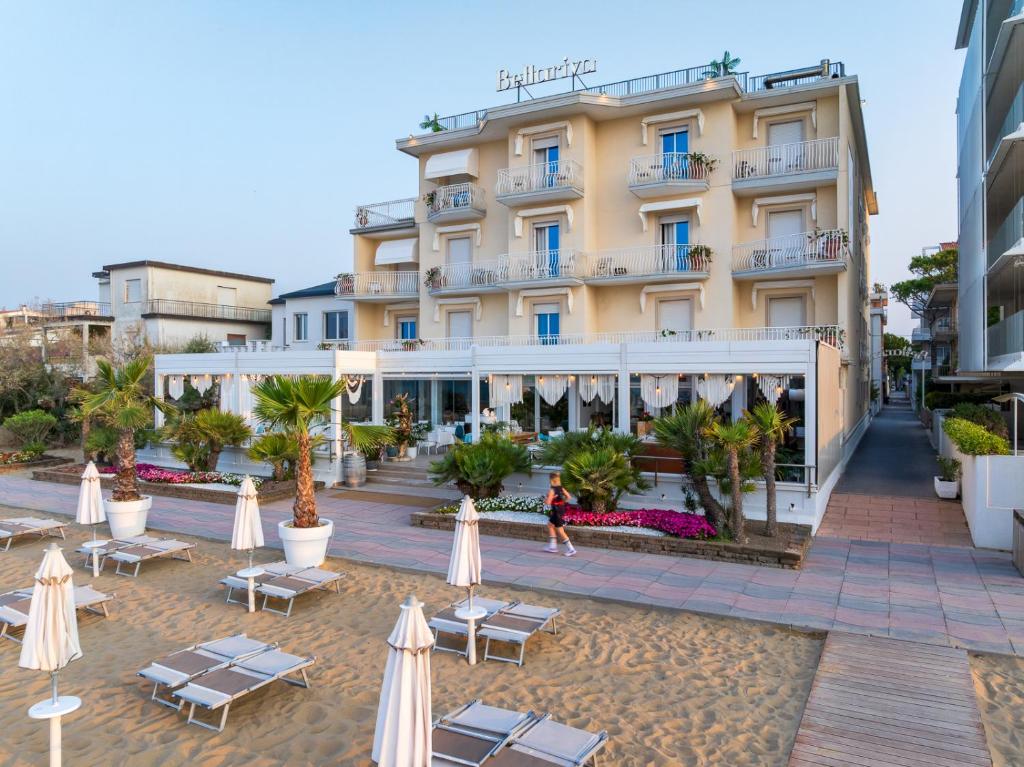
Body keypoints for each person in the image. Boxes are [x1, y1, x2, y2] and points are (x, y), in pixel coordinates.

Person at [543, 472, 577, 557]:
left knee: (560, 530)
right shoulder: (561, 488)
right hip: (560, 510)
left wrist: (546, 498)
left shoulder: (552, 490)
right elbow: (569, 497)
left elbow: (548, 502)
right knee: (550, 525)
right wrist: (561, 502)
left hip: (556, 511)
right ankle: (552, 546)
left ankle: (571, 549)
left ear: (551, 480)